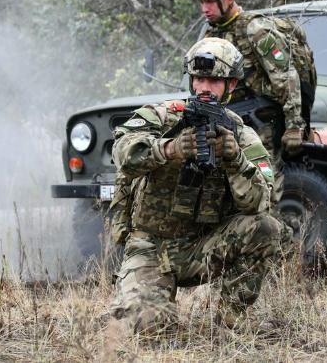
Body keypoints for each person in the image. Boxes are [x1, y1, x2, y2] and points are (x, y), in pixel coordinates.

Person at [107, 37, 282, 334]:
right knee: (151, 330)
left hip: (202, 248)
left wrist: (234, 159)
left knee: (267, 227)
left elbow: (259, 204)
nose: (204, 87)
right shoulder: (164, 115)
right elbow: (123, 151)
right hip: (151, 246)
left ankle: (230, 318)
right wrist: (170, 149)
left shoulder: (241, 135)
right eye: (199, 78)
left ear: (231, 86)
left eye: (214, 80)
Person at [192, 0, 315, 225]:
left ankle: (273, 253)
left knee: (265, 192)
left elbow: (285, 77)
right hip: (229, 125)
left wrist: (294, 127)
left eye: (210, 1)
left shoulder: (255, 29)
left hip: (262, 125)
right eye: (202, 2)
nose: (205, 8)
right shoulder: (210, 33)